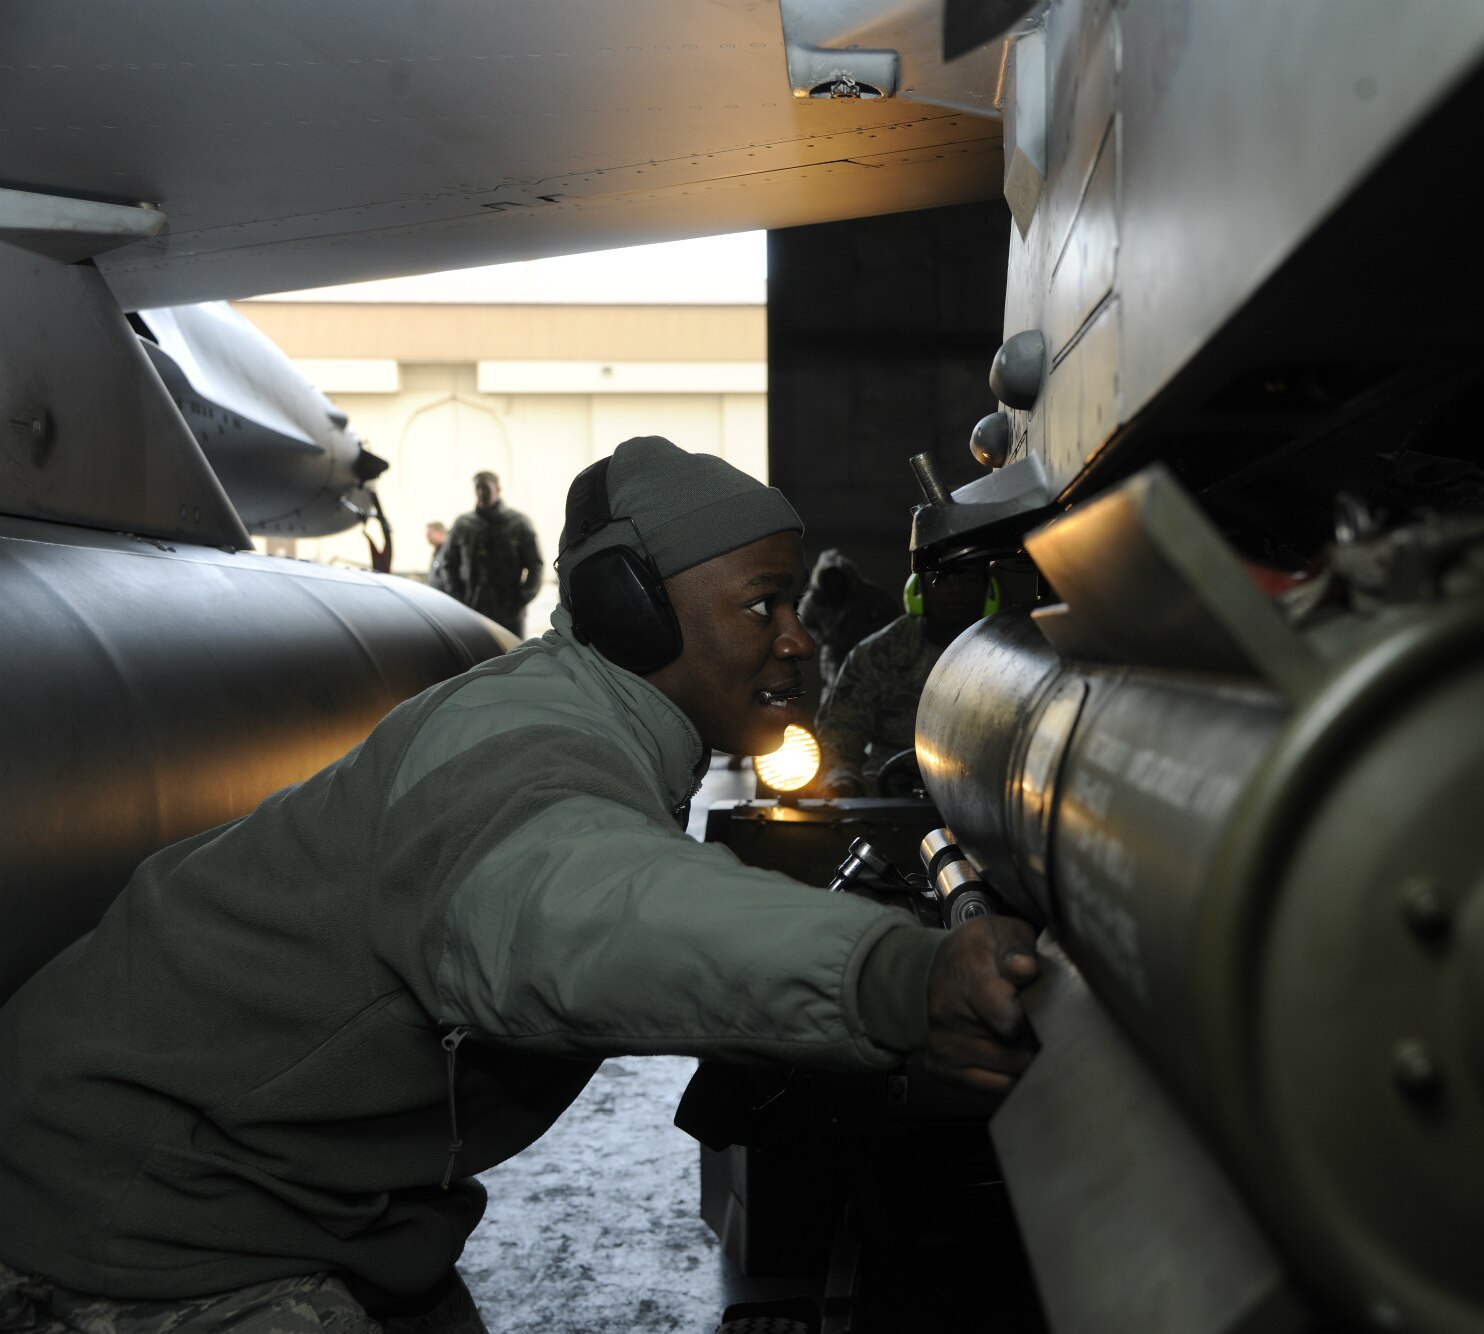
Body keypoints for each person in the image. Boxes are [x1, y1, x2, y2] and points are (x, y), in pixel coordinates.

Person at [0, 436, 1040, 1333]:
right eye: (761, 604)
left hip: (308, 1195)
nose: (798, 636)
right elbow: (589, 909)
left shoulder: (603, 727)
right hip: (132, 1205)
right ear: (630, 613)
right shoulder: (523, 744)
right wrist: (893, 975)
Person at [815, 566, 993, 797]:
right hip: (888, 793)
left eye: (970, 579)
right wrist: (842, 782)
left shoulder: (1012, 655)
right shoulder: (879, 652)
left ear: (988, 592)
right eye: (942, 580)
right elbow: (840, 732)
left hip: (981, 791)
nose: (956, 590)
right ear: (918, 590)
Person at [440, 471, 543, 636]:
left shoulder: (518, 522)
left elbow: (535, 565)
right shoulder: (463, 524)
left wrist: (522, 599)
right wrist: (458, 598)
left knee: (512, 657)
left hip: (509, 614)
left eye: (486, 488)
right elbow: (447, 563)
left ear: (498, 490)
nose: (481, 492)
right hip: (472, 612)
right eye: (478, 488)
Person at [796, 548, 900, 689]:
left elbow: (890, 611)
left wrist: (874, 633)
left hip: (864, 649)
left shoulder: (863, 593)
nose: (834, 583)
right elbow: (802, 623)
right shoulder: (814, 600)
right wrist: (822, 637)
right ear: (822, 579)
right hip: (834, 653)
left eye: (837, 577)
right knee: (836, 688)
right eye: (829, 578)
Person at [424, 519, 450, 591]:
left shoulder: (448, 551)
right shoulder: (437, 551)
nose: (428, 537)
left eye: (430, 534)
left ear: (440, 533)